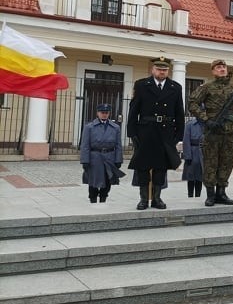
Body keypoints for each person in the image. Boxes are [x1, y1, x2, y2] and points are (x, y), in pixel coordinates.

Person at [127, 58, 185, 210]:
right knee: (143, 167)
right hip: (145, 131)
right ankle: (144, 199)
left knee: (161, 167)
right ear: (153, 70)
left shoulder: (175, 87)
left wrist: (179, 135)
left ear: (168, 71)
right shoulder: (141, 85)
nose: (162, 72)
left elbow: (180, 112)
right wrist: (132, 133)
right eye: (159, 69)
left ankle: (157, 198)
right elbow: (133, 111)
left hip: (165, 132)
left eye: (165, 70)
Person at [188, 59, 233, 207]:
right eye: (218, 67)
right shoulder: (207, 87)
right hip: (213, 132)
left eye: (224, 67)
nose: (222, 69)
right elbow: (192, 103)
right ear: (213, 71)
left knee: (227, 163)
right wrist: (206, 119)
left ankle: (222, 193)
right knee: (211, 163)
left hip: (229, 133)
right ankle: (210, 194)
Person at [80, 103, 124, 203]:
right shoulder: (89, 127)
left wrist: (118, 160)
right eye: (102, 112)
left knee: (108, 178)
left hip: (109, 157)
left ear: (109, 114)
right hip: (95, 157)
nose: (104, 115)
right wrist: (85, 160)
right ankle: (93, 198)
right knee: (93, 180)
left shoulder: (115, 127)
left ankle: (103, 198)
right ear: (97, 113)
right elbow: (85, 145)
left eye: (106, 113)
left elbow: (118, 145)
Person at [181, 116, 204, 198]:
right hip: (192, 153)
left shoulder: (206, 124)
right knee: (190, 176)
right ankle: (190, 195)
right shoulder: (190, 125)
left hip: (203, 153)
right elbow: (186, 141)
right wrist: (187, 156)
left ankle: (198, 195)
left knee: (200, 177)